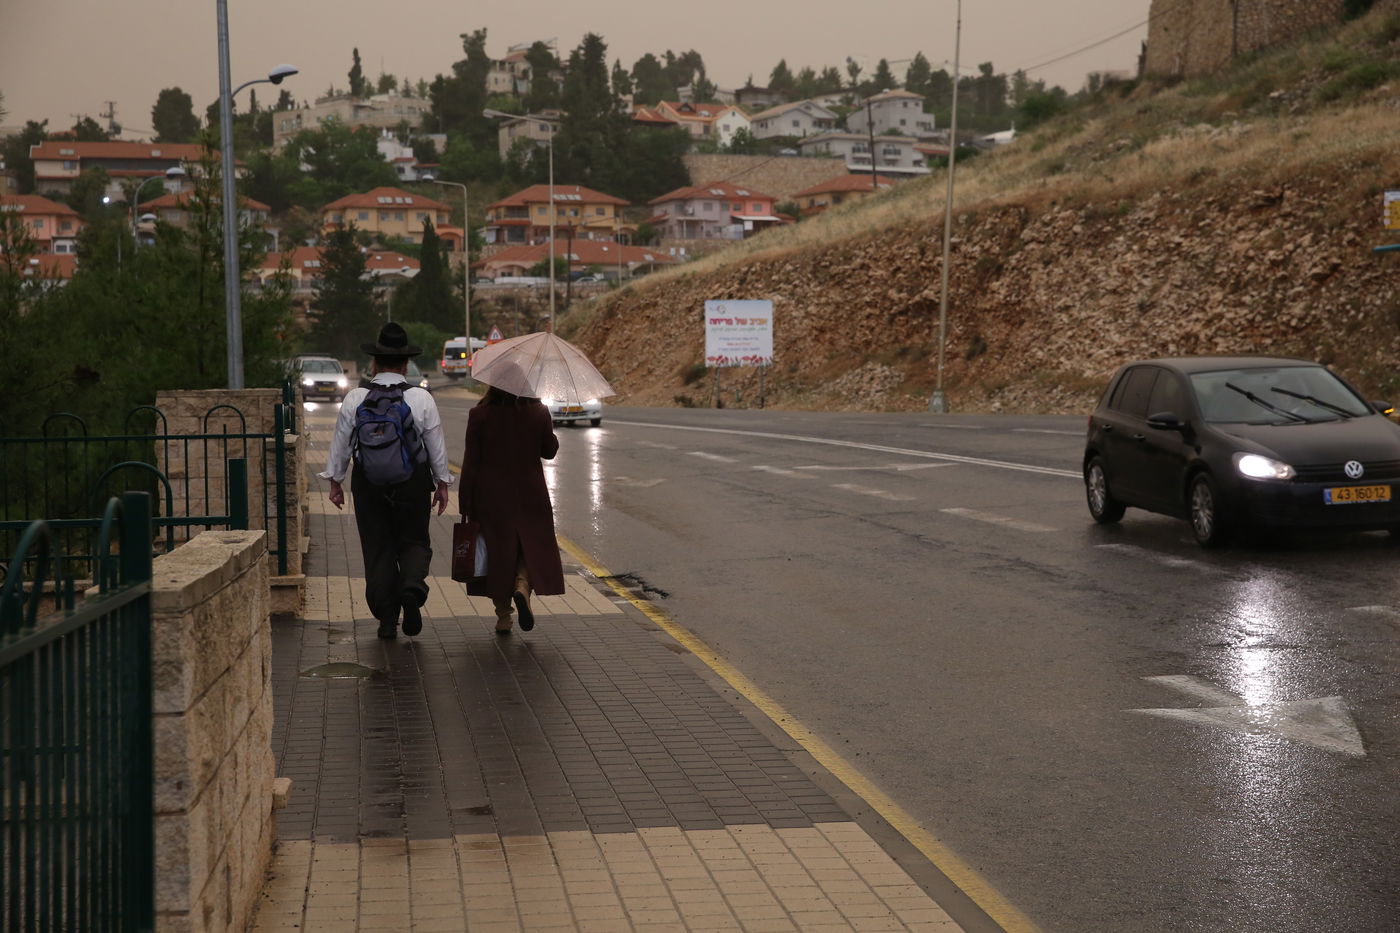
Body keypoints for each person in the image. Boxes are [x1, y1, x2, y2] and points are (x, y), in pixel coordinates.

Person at [320, 323, 452, 639]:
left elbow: (341, 443)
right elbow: (435, 446)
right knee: (414, 541)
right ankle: (411, 589)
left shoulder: (355, 398)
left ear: (375, 363)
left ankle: (387, 620)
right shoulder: (421, 398)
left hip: (368, 484)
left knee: (378, 548)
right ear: (405, 364)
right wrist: (442, 483)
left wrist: (335, 481)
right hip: (411, 483)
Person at [459, 384, 565, 634]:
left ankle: (503, 617)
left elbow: (471, 461)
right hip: (530, 493)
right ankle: (522, 586)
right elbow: (549, 451)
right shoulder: (538, 412)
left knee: (500, 552)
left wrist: (466, 502)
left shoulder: (480, 414)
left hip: (491, 496)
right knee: (530, 544)